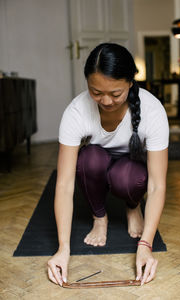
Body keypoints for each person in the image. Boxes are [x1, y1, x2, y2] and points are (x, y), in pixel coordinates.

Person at [47, 43, 169, 287]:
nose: (106, 101)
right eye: (96, 92)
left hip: (130, 168)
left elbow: (156, 186)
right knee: (90, 159)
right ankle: (99, 216)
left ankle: (132, 207)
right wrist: (63, 248)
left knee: (130, 177)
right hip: (96, 164)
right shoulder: (76, 111)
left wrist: (146, 245)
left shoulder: (153, 111)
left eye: (115, 94)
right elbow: (64, 184)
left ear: (131, 83)